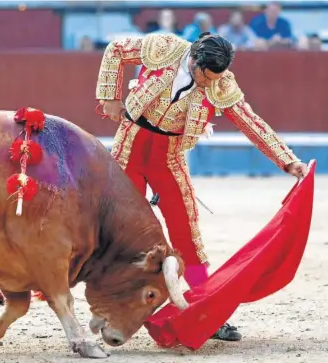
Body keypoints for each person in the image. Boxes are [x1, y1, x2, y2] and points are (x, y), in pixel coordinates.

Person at [95, 32, 309, 341]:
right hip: (129, 146)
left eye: (214, 78)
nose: (208, 84)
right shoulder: (165, 48)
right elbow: (115, 49)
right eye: (204, 76)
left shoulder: (220, 82)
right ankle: (108, 306)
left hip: (168, 157)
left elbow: (250, 121)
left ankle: (205, 310)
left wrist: (288, 161)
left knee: (188, 234)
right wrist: (111, 98)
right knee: (118, 232)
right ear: (193, 60)